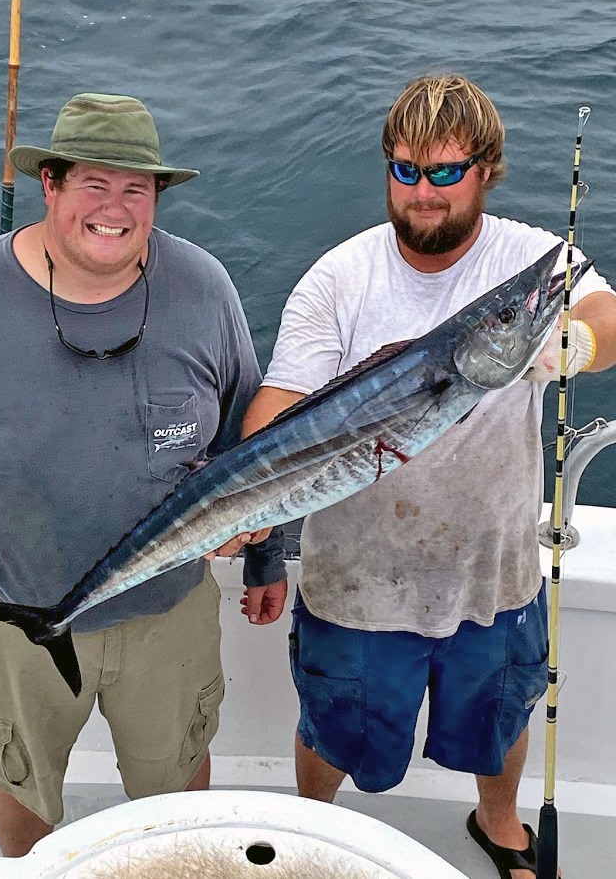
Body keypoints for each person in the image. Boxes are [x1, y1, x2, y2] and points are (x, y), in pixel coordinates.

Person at [240, 74, 616, 879]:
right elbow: (284, 396)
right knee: (336, 726)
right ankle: (314, 830)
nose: (423, 191)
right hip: (359, 581)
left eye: (446, 172)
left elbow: (603, 316)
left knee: (501, 713)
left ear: (487, 168)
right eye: (406, 169)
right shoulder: (339, 277)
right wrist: (249, 494)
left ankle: (498, 817)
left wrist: (574, 346)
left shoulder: (531, 263)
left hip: (496, 571)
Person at [0, 92, 287, 856]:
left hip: (167, 609)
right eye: (93, 183)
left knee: (178, 772)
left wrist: (266, 552)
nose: (114, 209)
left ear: (156, 198)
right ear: (48, 184)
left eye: (135, 189)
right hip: (8, 610)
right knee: (20, 777)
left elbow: (251, 443)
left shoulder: (205, 287)